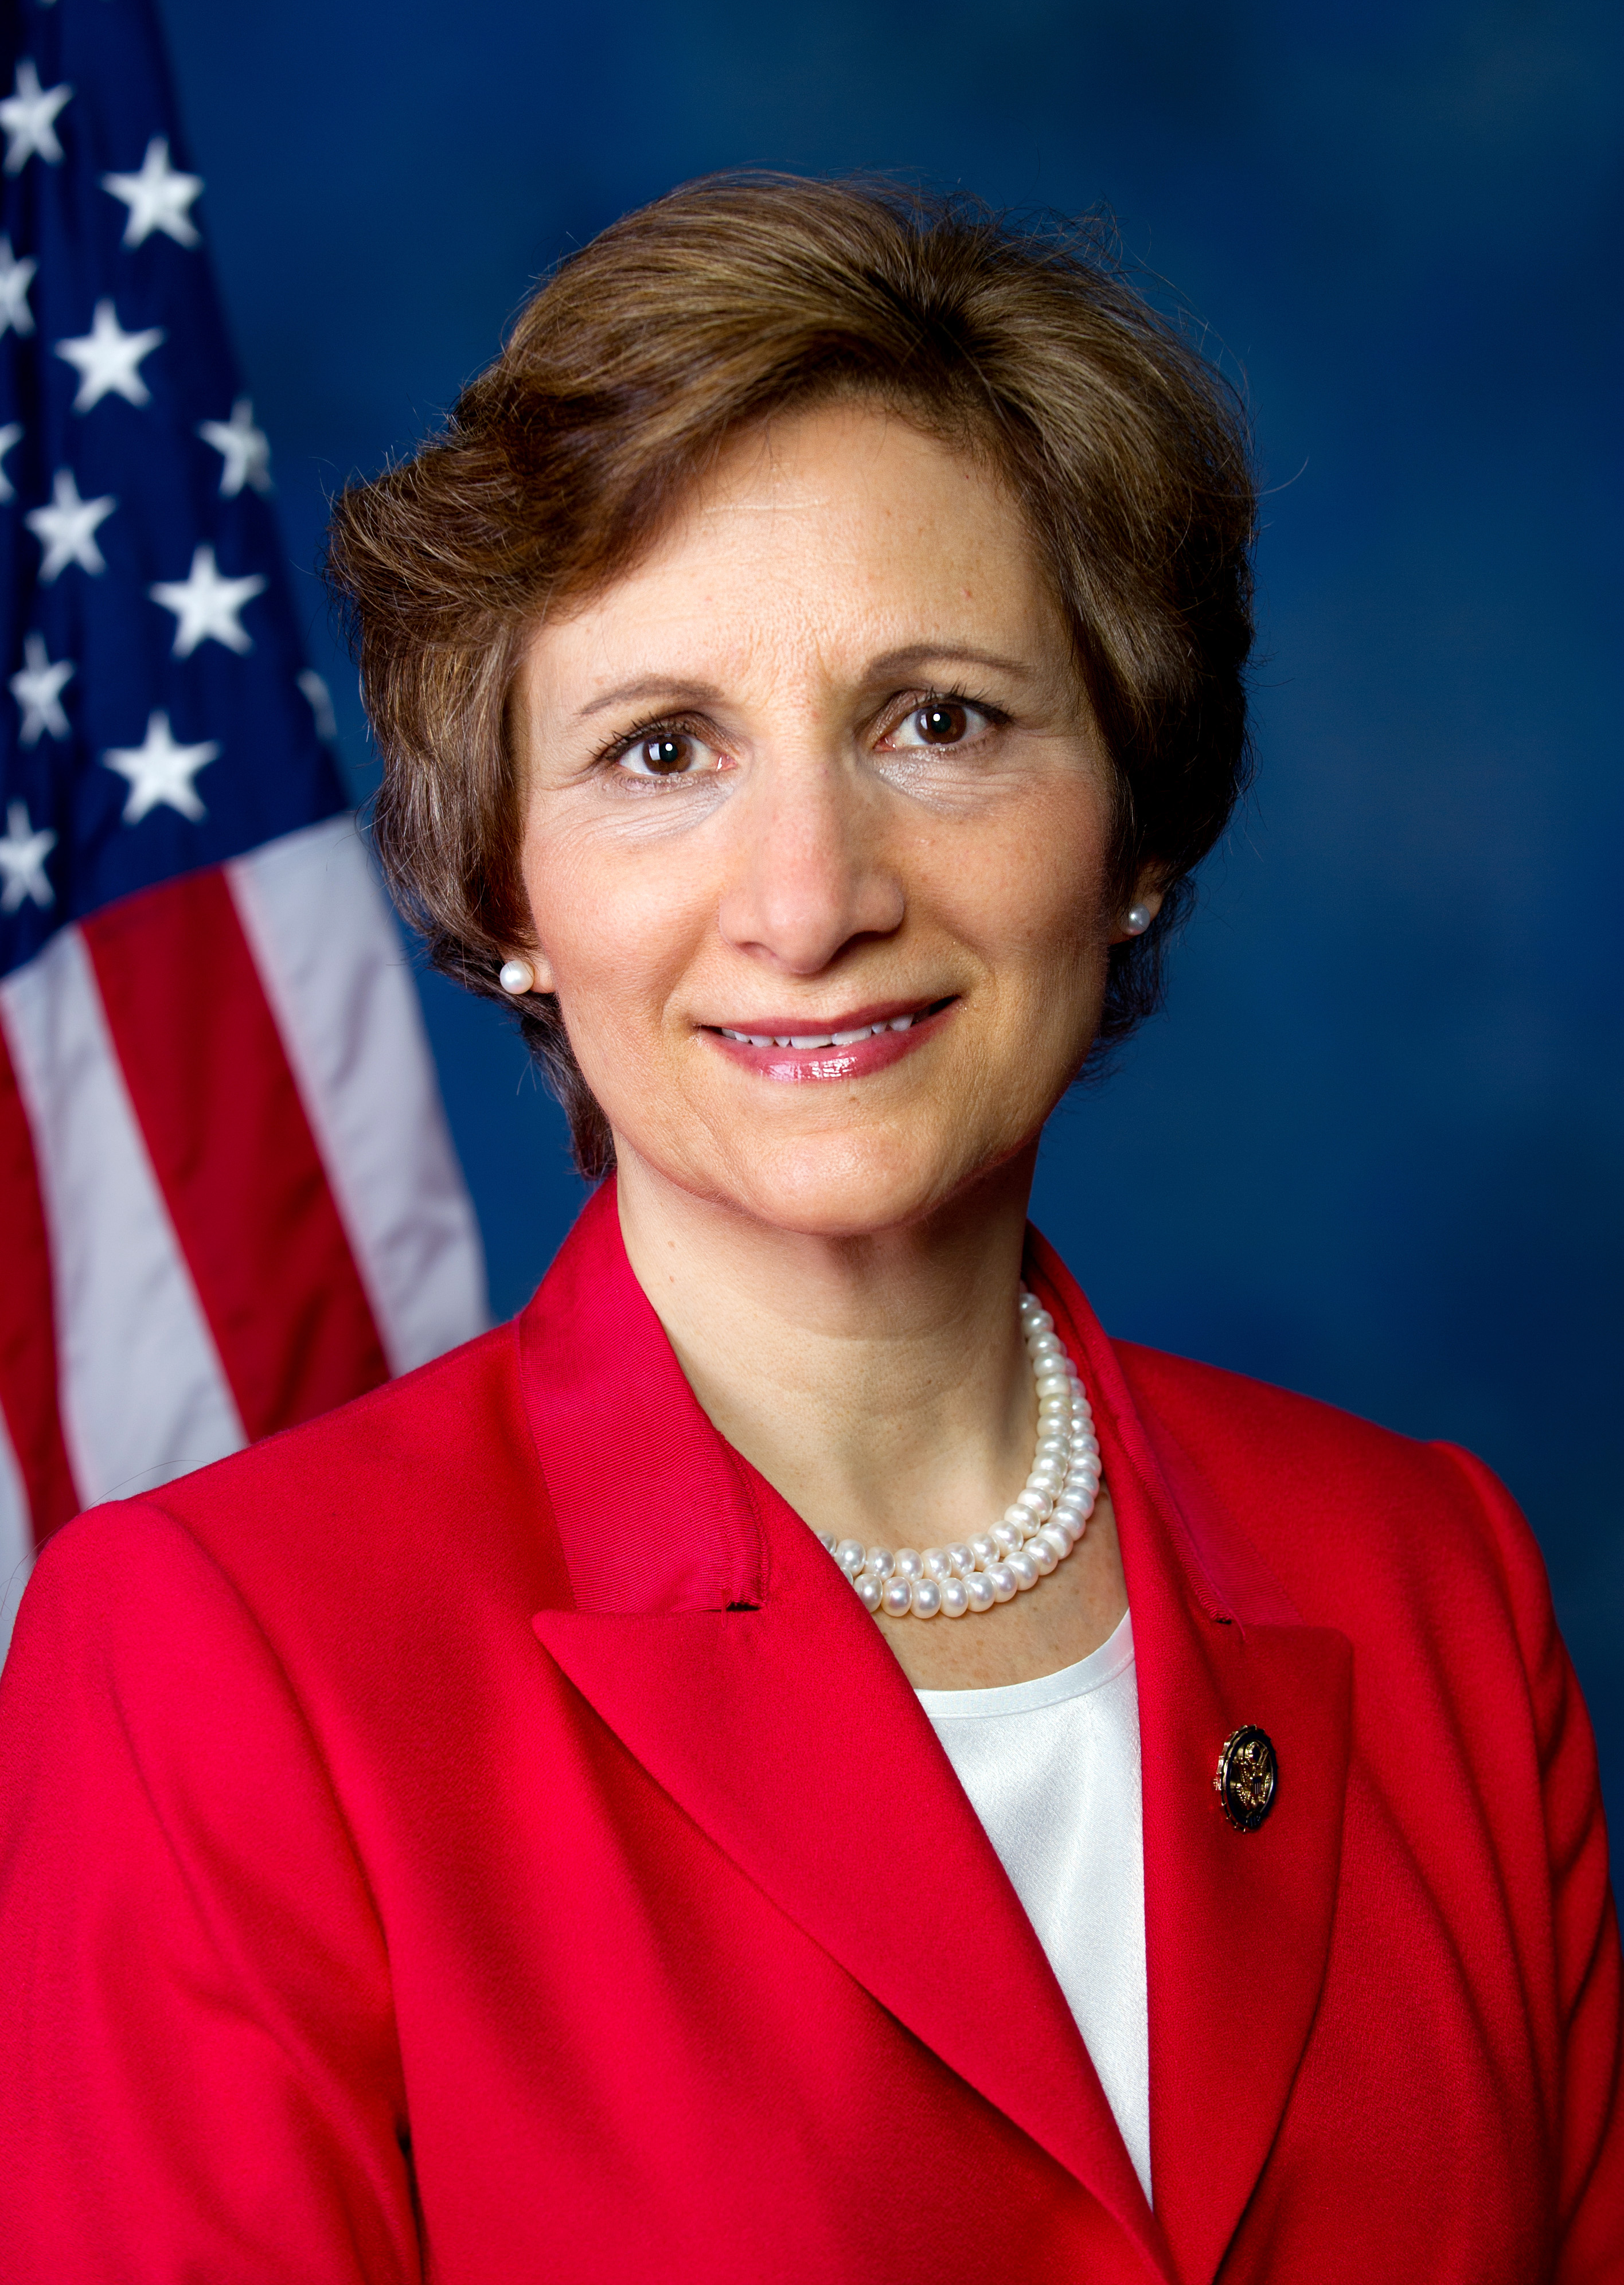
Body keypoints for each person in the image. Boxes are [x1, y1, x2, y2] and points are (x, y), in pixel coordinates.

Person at [0, 175, 1618, 2283]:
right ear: (507, 897)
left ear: (1129, 820)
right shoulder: (220, 1663)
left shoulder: (1431, 1586)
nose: (807, 895)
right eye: (659, 751)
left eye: (935, 721)